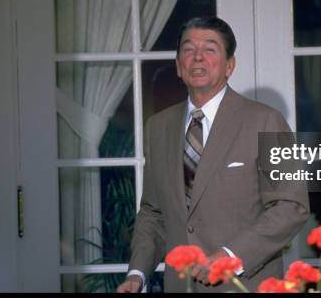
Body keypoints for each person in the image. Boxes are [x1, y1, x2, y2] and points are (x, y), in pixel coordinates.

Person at [117, 16, 310, 293]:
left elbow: (291, 206)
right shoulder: (157, 127)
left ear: (230, 65)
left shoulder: (265, 121)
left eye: (210, 49)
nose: (197, 58)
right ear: (178, 66)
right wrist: (137, 273)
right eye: (188, 49)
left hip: (244, 285)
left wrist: (230, 256)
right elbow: (153, 213)